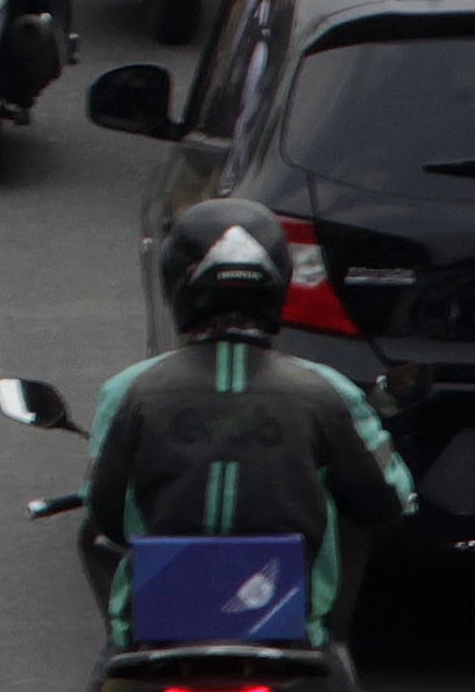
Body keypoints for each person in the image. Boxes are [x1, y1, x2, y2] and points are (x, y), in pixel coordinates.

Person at [77, 202, 407, 661]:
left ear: (175, 283)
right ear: (278, 284)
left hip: (157, 636)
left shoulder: (130, 390)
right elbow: (385, 499)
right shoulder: (327, 391)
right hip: (293, 637)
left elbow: (105, 510)